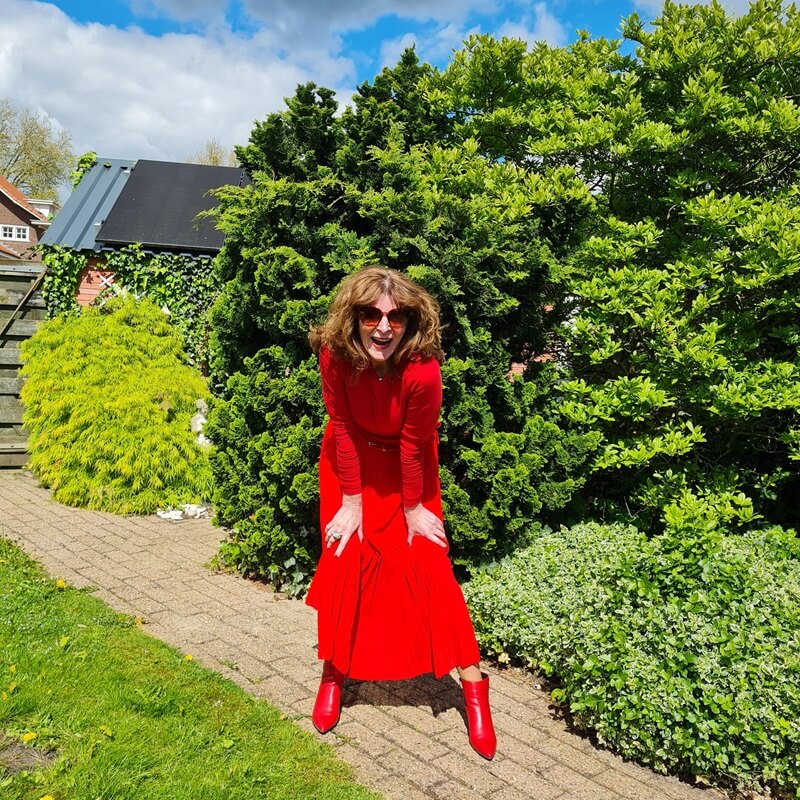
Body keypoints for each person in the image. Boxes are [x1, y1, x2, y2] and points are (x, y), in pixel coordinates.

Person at [305, 265, 496, 760]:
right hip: (350, 467)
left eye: (396, 316)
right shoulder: (334, 355)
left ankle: (474, 690)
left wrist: (413, 509)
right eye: (371, 314)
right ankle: (333, 674)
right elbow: (341, 427)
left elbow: (414, 445)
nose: (383, 326)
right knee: (348, 557)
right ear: (354, 317)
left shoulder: (423, 371)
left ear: (412, 323)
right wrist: (352, 503)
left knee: (430, 565)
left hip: (409, 473)